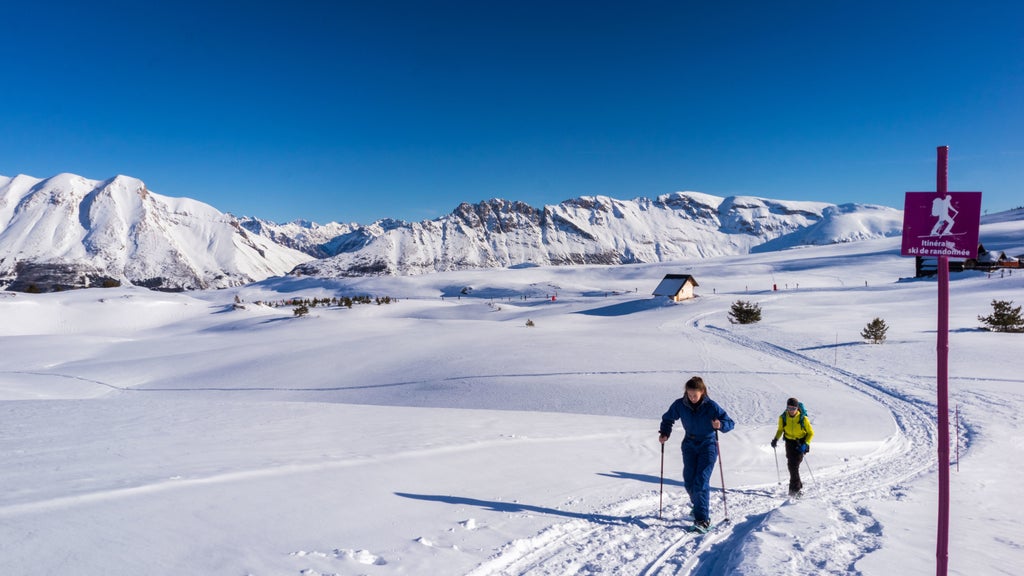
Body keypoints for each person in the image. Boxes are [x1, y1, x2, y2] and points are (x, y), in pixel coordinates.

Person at [658, 376, 735, 530]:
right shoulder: (680, 404)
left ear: (702, 392)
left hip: (708, 445)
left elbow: (730, 423)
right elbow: (668, 419)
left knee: (700, 481)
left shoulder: (711, 406)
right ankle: (698, 506)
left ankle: (702, 520)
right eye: (689, 394)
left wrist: (720, 424)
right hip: (689, 444)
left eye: (695, 395)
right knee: (689, 481)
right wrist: (665, 433)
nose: (692, 398)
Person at [771, 397, 814, 497]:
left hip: (800, 443)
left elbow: (811, 433)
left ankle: (795, 490)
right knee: (792, 465)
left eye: (793, 408)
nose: (791, 410)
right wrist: (775, 439)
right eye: (789, 408)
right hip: (789, 443)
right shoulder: (783, 417)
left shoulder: (803, 419)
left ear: (797, 408)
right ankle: (797, 486)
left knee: (793, 466)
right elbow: (780, 430)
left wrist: (805, 444)